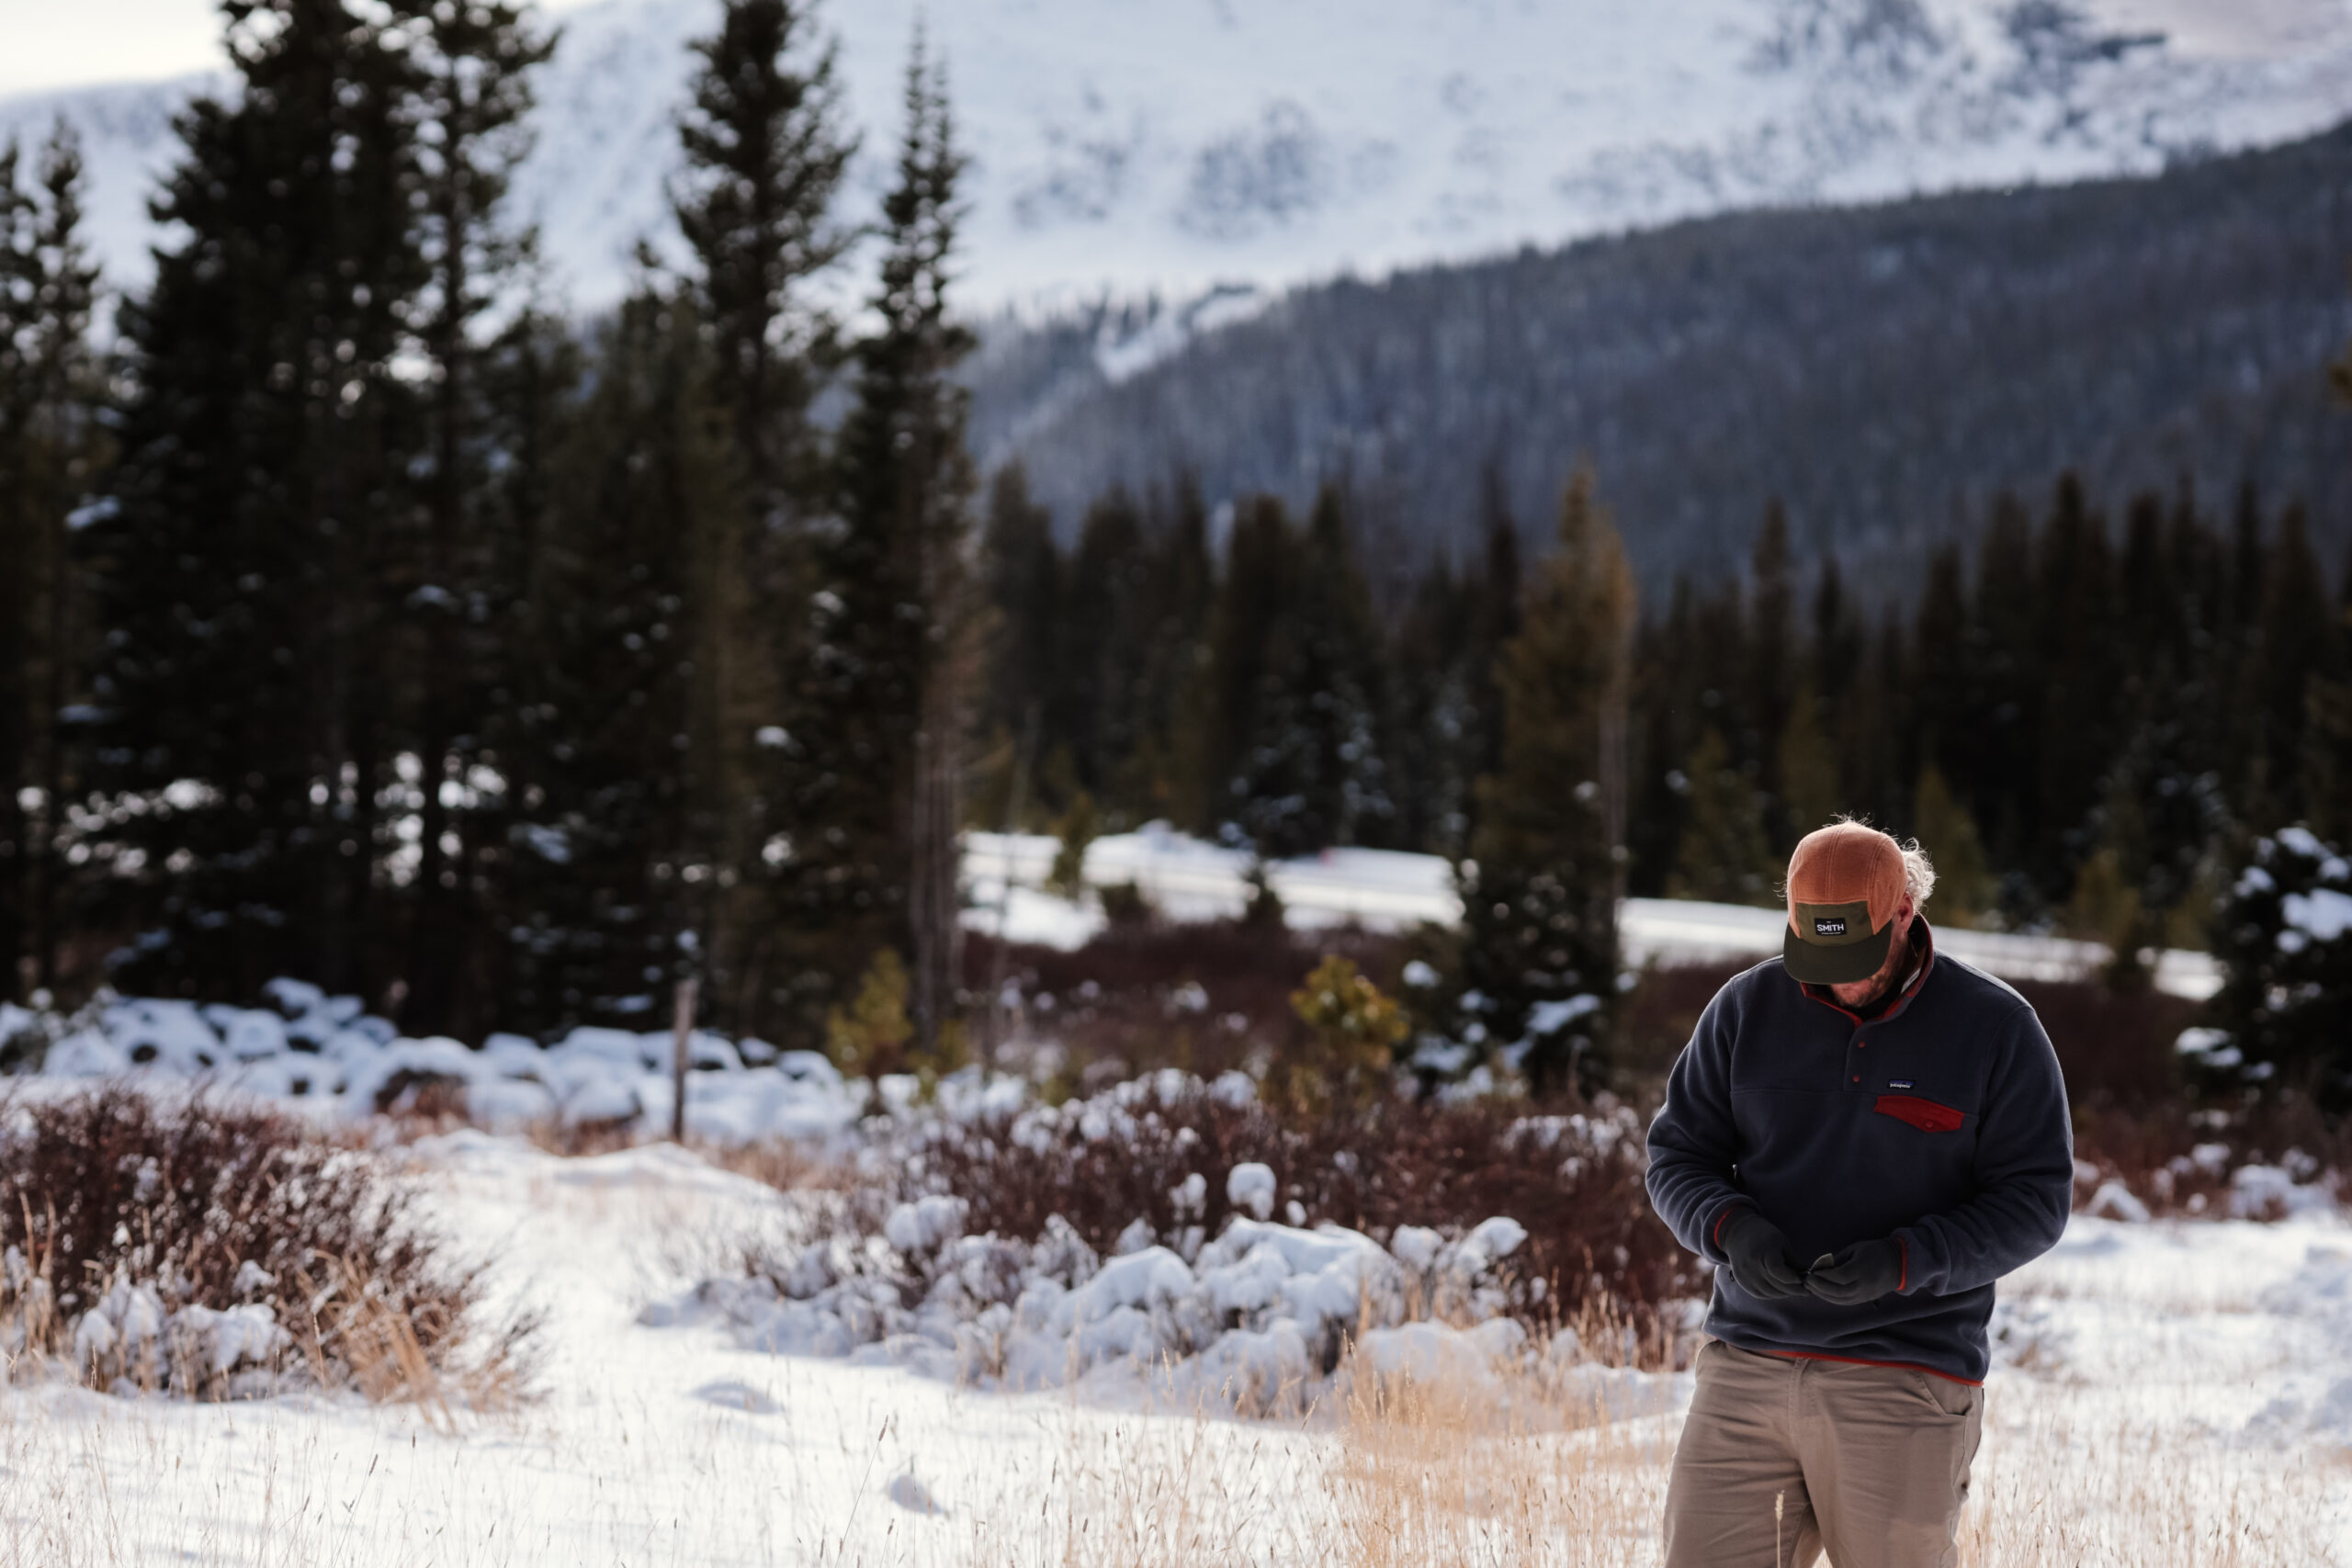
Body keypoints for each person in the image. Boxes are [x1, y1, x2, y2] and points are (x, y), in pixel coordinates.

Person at [1645, 819, 2075, 1568]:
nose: (1840, 977)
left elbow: (2035, 1201)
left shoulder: (1996, 1028)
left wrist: (1907, 1261)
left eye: (1857, 954)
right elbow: (1676, 1155)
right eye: (1819, 952)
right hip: (1747, 1364)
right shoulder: (1745, 1008)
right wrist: (1728, 1226)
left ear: (1905, 910)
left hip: (1907, 1377)